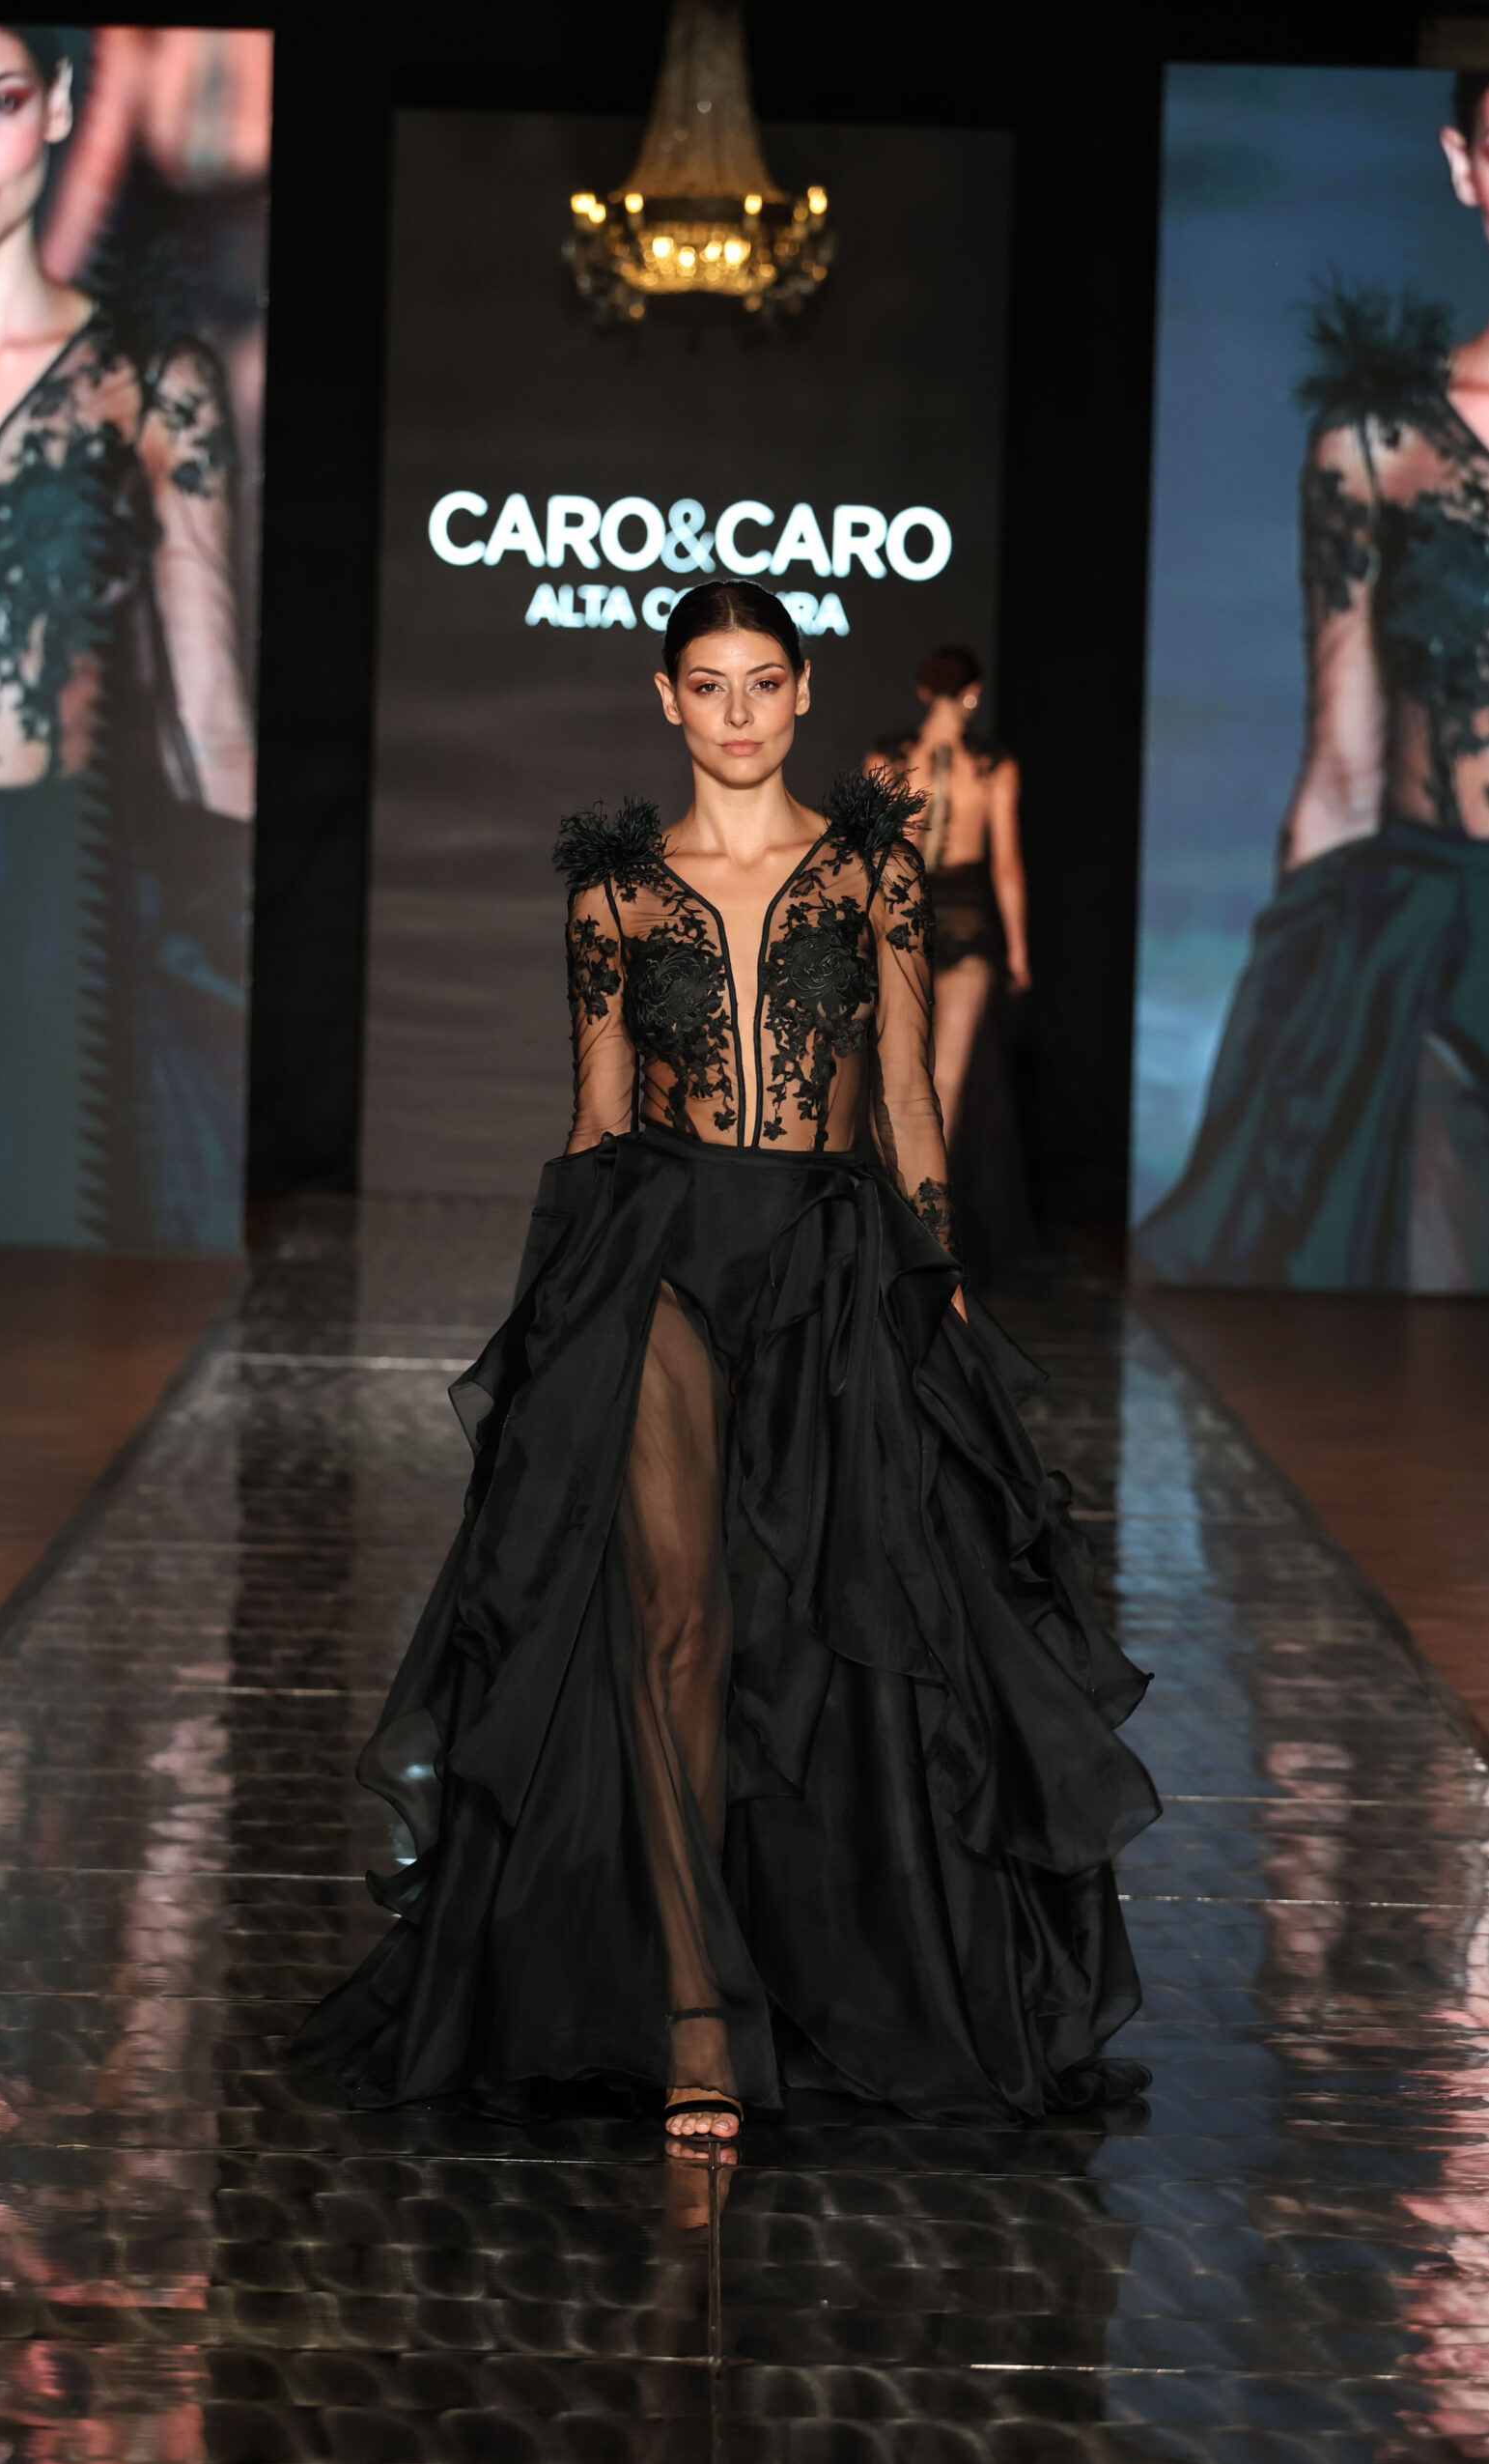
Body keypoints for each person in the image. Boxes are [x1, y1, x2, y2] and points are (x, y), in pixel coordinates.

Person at [294, 580, 1159, 2146]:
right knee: (676, 1619)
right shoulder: (615, 891)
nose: (739, 712)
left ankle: (832, 1959)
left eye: (763, 681)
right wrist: (551, 1316)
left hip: (828, 1256)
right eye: (709, 684)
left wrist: (940, 1281)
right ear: (665, 698)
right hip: (658, 1252)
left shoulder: (872, 871)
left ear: (804, 689)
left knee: (832, 1626)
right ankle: (698, 2011)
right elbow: (594, 1114)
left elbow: (904, 1098)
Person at [0, 20, 254, 1246]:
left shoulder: (150, 384)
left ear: (60, 106)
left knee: (57, 1267)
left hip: (58, 905)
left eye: (2, 100)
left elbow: (206, 719)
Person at [1138, 71, 1489, 1290]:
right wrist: (1289, 984)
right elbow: (1344, 756)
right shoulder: (1383, 440)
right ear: (1465, 165)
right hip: (1441, 923)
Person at [900, 647, 1033, 1276]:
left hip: (904, 923)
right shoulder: (991, 766)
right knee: (945, 1080)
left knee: (903, 1075)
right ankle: (925, 1225)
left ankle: (903, 1217)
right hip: (967, 922)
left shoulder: (892, 759)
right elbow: (1005, 863)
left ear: (924, 690)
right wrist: (1018, 951)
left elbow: (882, 856)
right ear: (972, 692)